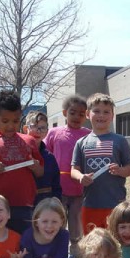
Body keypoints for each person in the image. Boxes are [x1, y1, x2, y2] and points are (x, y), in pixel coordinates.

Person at [0, 90, 44, 234]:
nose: (11, 126)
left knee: (23, 248)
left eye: (15, 121)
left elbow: (40, 172)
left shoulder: (29, 141)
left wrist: (35, 166)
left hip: (24, 206)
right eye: (5, 121)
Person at [71, 93, 130, 234]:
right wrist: (81, 177)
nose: (101, 115)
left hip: (115, 204)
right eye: (97, 111)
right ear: (87, 114)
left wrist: (120, 171)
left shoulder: (120, 140)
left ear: (112, 116)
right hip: (90, 204)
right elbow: (74, 170)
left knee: (115, 243)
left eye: (106, 112)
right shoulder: (81, 143)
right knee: (92, 243)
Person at [44, 95, 90, 245]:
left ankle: (76, 257)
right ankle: (57, 254)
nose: (77, 116)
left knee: (77, 227)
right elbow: (45, 154)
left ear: (86, 115)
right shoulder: (54, 133)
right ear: (64, 113)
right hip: (58, 189)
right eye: (72, 112)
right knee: (57, 223)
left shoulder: (89, 135)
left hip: (80, 190)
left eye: (81, 114)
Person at [23, 111, 62, 205]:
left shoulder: (49, 157)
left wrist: (56, 202)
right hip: (23, 205)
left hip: (44, 205)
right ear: (25, 129)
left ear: (47, 132)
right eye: (34, 126)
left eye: (43, 128)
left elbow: (56, 185)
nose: (38, 131)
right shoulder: (18, 153)